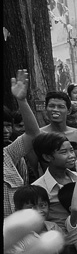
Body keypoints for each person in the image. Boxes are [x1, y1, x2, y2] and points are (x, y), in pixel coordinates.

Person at [5, 71, 41, 219]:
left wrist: (22, 101)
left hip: (16, 233)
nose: (5, 131)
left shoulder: (7, 154)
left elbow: (33, 134)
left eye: (8, 126)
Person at [39, 90, 77, 168]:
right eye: (52, 106)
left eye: (61, 107)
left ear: (68, 111)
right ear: (46, 109)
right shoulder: (40, 134)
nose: (55, 109)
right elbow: (35, 167)